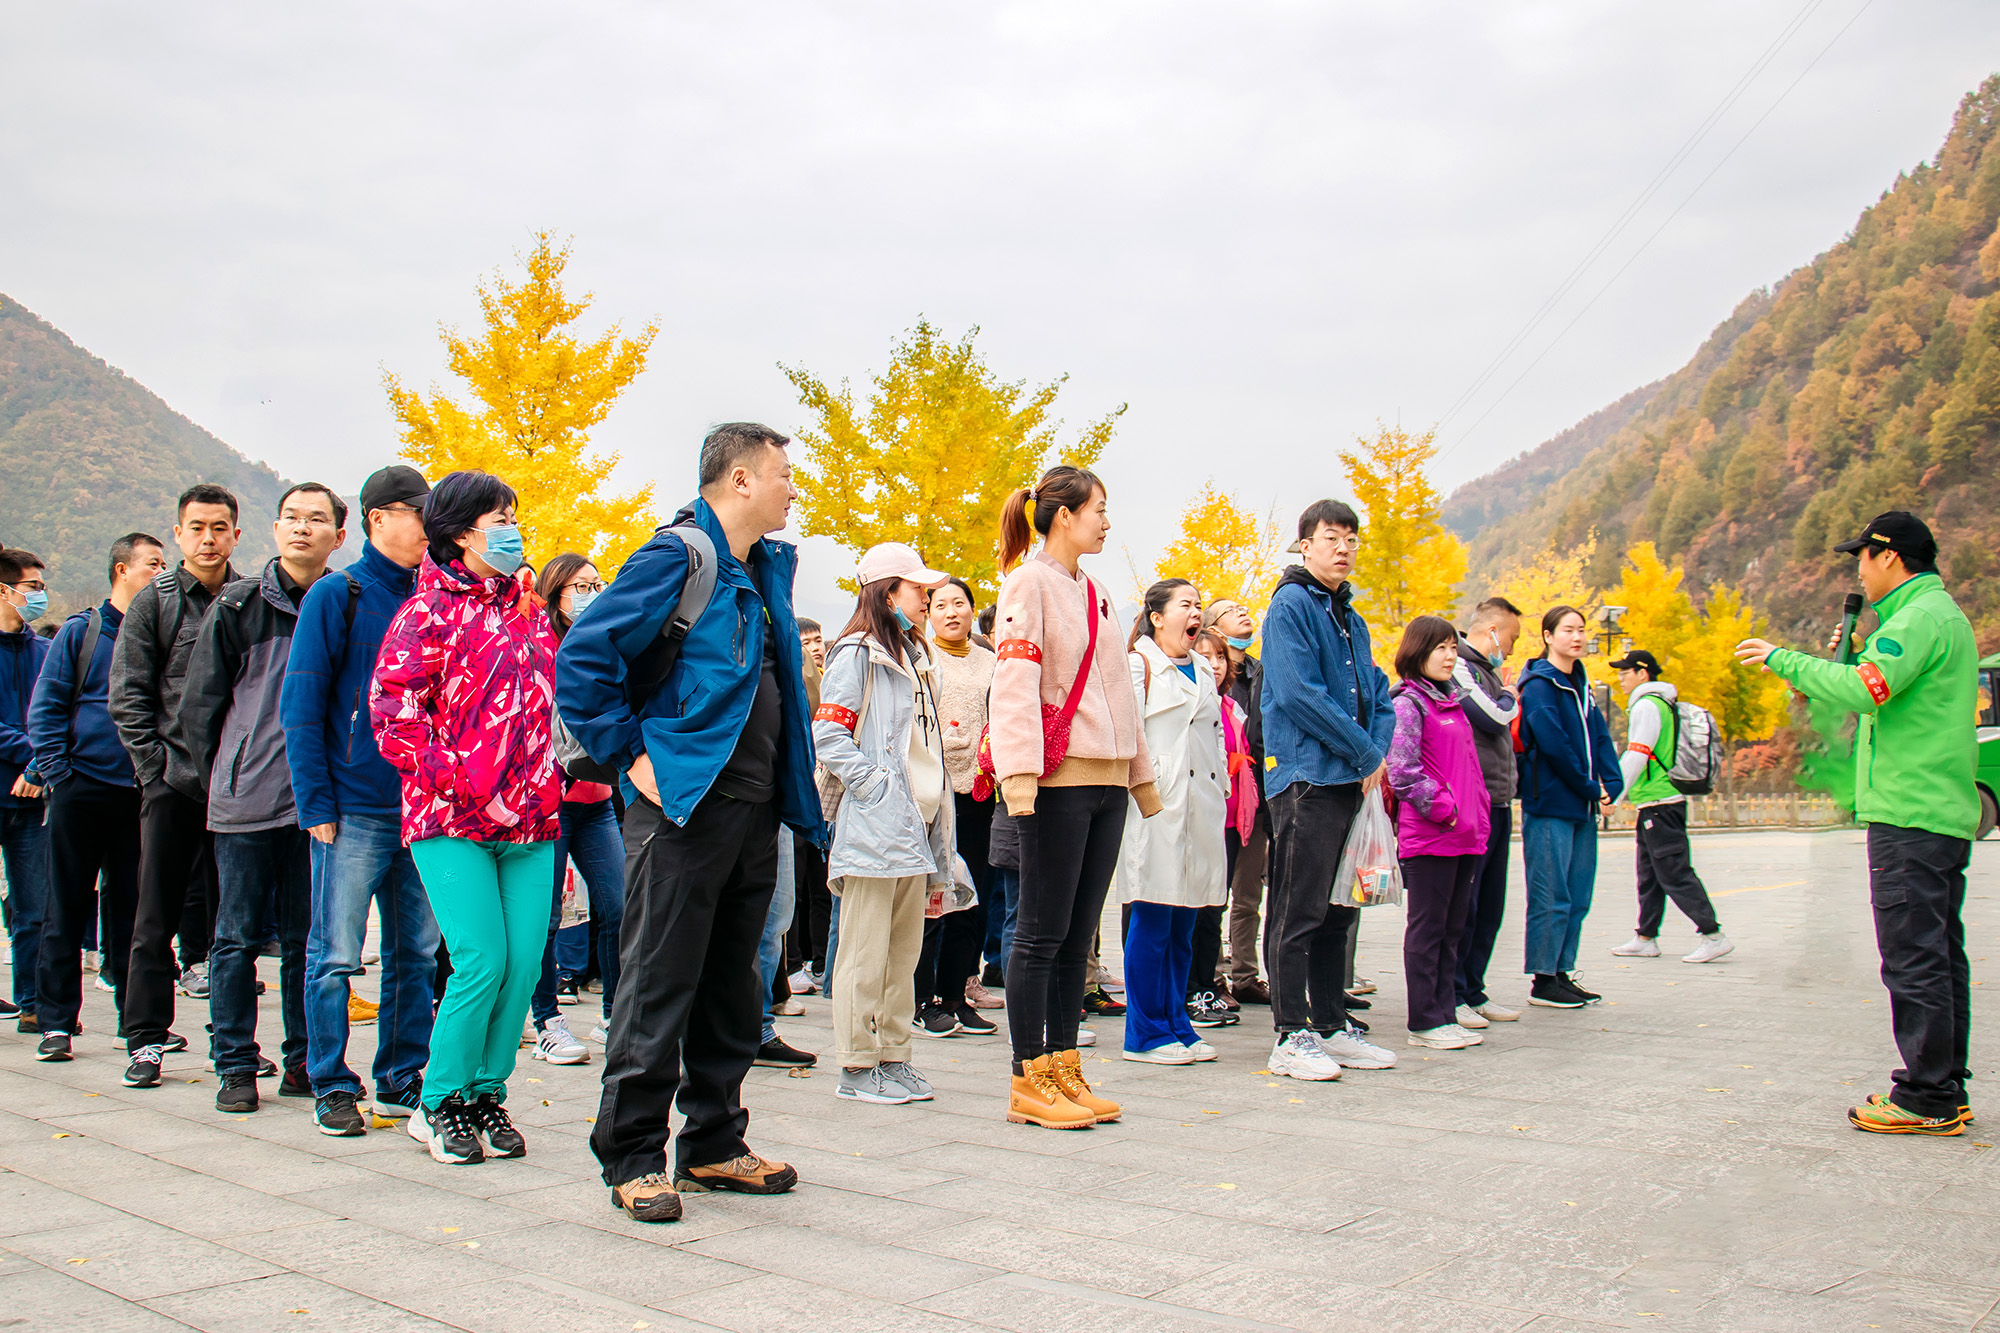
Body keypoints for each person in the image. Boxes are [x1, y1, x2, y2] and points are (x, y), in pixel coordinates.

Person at [557, 422, 820, 1222]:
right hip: (682, 805)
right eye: (782, 474)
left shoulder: (765, 567)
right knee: (656, 980)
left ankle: (712, 1142)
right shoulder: (678, 556)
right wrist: (630, 754)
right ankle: (633, 1154)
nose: (790, 489)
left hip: (753, 806)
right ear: (739, 479)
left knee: (733, 987)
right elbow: (584, 658)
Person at [1737, 510, 1979, 1136]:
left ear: (1889, 556)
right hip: (1936, 811)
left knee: (1913, 955)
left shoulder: (1919, 618)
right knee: (1939, 951)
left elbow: (1868, 686)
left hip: (1909, 813)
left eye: (1861, 558)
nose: (1859, 571)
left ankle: (1927, 1097)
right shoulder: (1936, 615)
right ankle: (1946, 1086)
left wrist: (1783, 660)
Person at [372, 470, 561, 1164]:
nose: (511, 527)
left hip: (532, 819)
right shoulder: (425, 614)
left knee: (521, 964)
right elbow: (393, 714)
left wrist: (552, 775)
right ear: (458, 532)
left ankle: (485, 1092)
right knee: (479, 960)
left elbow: (555, 703)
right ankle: (437, 1100)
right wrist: (461, 777)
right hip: (450, 818)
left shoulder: (529, 610)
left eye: (514, 513)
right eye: (497, 517)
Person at [989, 464, 1160, 1129]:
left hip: (1106, 782)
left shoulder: (1099, 592)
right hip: (1056, 781)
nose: (1107, 521)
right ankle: (1027, 1075)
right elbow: (1013, 682)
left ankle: (1065, 1066)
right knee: (1039, 930)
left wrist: (1139, 776)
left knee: (1075, 935)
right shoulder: (1027, 582)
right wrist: (1020, 775)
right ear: (1064, 515)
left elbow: (1121, 693)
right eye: (1099, 509)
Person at [170, 484, 346, 1107]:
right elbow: (200, 707)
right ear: (274, 530)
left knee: (309, 939)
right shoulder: (237, 604)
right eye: (292, 518)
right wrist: (224, 774)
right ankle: (237, 1064)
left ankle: (304, 1061)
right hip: (244, 801)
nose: (302, 528)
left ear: (339, 537)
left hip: (316, 806)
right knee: (236, 937)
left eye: (316, 519)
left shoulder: (344, 602)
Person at [281, 465, 440, 1133]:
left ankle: (401, 1076)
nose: (431, 529)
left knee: (418, 953)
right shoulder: (337, 595)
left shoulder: (437, 597)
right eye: (420, 514)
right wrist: (315, 802)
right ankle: (329, 1080)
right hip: (353, 807)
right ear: (380, 518)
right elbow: (301, 704)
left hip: (425, 809)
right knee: (336, 952)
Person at [1258, 499, 1400, 1081]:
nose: (1343, 548)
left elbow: (1379, 692)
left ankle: (1332, 1024)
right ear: (1305, 545)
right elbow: (1298, 695)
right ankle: (1291, 1033)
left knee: (1341, 907)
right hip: (1306, 778)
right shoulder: (1290, 605)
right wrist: (1366, 752)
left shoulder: (1353, 617)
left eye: (1351, 539)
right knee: (1298, 907)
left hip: (1348, 777)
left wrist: (1376, 751)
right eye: (1331, 537)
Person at [812, 543, 954, 1104]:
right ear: (887, 591)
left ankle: (894, 1057)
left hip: (915, 826)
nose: (927, 598)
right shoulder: (857, 654)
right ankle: (856, 1064)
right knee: (863, 954)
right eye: (917, 589)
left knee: (903, 954)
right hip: (876, 826)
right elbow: (830, 736)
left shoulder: (918, 656)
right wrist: (875, 786)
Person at [110, 484, 241, 1065]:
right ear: (180, 532)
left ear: (236, 533)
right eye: (197, 528)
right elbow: (129, 692)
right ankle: (144, 1036)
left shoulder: (248, 599)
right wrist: (153, 770)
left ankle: (231, 1042)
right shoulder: (155, 600)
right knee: (155, 911)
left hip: (236, 786)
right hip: (173, 780)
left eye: (219, 527)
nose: (208, 539)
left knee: (229, 924)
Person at [27, 535, 167, 1048]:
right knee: (64, 905)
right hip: (80, 788)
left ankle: (138, 1025)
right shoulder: (81, 632)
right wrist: (58, 773)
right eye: (152, 564)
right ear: (121, 569)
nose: (160, 572)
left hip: (139, 791)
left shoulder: (158, 631)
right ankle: (57, 1021)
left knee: (135, 911)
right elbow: (47, 706)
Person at [1116, 580, 1226, 1066]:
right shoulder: (1137, 665)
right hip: (1154, 807)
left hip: (1200, 805)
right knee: (1154, 918)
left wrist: (1222, 789)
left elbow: (1214, 735)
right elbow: (1127, 734)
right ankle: (1144, 1032)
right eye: (1186, 604)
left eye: (1199, 605)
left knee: (1187, 920)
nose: (1196, 612)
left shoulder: (1203, 668)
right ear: (1158, 617)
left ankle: (1178, 1023)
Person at [523, 554, 625, 1066]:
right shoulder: (535, 640)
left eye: (596, 583)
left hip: (597, 800)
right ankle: (547, 1020)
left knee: (617, 906)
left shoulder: (600, 642)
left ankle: (614, 1015)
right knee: (544, 916)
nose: (591, 592)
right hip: (548, 800)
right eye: (580, 585)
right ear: (555, 591)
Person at [1387, 615, 1492, 1051]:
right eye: (1440, 648)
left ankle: (1445, 1013)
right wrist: (1447, 811)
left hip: (1467, 834)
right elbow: (1403, 771)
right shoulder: (1409, 704)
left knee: (1454, 929)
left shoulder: (1452, 702)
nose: (1450, 656)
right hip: (1433, 836)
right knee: (1428, 928)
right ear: (1418, 652)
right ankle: (1425, 1020)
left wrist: (1475, 815)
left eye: (1453, 647)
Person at [1518, 605, 1624, 1009]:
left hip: (1582, 804)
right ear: (1547, 636)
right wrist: (1588, 785)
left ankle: (1563, 970)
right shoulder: (1541, 685)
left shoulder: (1580, 684)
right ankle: (1543, 980)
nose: (1577, 637)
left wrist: (1611, 784)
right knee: (1551, 892)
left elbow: (1599, 735)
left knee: (1578, 893)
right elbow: (1554, 744)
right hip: (1550, 802)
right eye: (1567, 630)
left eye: (1581, 630)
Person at [1607, 649, 1732, 966]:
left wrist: (1613, 794)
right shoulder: (1659, 704)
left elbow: (1637, 753)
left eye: (1625, 671)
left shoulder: (1647, 705)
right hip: (1654, 803)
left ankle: (1713, 935)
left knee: (1675, 873)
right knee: (1649, 874)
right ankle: (1646, 938)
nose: (1621, 677)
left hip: (1661, 803)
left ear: (1642, 673)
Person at [922, 575, 1001, 1028]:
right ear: (928, 614)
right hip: (934, 793)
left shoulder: (990, 662)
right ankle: (925, 998)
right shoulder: (920, 659)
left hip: (980, 792)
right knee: (934, 897)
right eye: (941, 605)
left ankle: (957, 994)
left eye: (960, 604)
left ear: (973, 610)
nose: (952, 612)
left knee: (974, 897)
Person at [1452, 597, 1523, 1029]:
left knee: (1491, 904)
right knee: (1468, 904)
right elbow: (1495, 717)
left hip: (1499, 800)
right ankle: (1455, 991)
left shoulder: (1489, 671)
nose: (1511, 649)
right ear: (1492, 630)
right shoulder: (1460, 664)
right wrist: (1511, 693)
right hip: (1473, 803)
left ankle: (1474, 989)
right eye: (1510, 638)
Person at [1206, 600, 1270, 1006]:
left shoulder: (1262, 671)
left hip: (1256, 795)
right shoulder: (1205, 684)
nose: (1243, 612)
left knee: (1249, 895)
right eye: (1231, 609)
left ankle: (1246, 974)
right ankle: (1214, 977)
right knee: (1215, 893)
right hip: (1217, 802)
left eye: (1245, 607)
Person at [0, 547, 53, 1029]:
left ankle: (33, 1002)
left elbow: (59, 714)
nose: (39, 595)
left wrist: (39, 766)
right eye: (32, 587)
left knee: (33, 905)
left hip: (33, 796)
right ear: (5, 590)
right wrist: (30, 753)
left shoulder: (44, 651)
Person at [1195, 628, 1260, 1008]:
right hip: (1207, 818)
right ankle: (1203, 984)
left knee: (1220, 903)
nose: (1215, 665)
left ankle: (1213, 982)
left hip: (1235, 817)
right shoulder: (1195, 705)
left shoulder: (1232, 708)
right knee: (1202, 908)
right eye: (1205, 656)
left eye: (1220, 657)